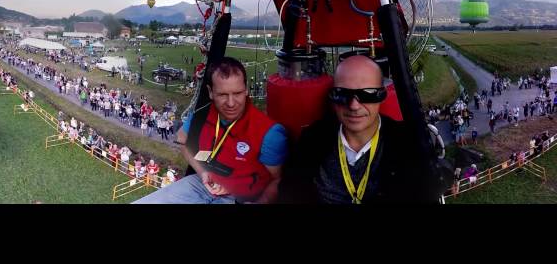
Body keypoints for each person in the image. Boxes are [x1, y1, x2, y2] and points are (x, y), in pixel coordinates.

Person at [278, 55, 439, 204]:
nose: (354, 106)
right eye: (342, 94)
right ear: (332, 97)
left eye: (367, 94)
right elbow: (290, 192)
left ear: (381, 96)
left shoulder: (408, 145)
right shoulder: (311, 141)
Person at [135, 57, 288, 204]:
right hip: (202, 185)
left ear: (246, 89)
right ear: (210, 92)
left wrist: (262, 202)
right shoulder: (202, 115)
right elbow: (182, 139)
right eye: (222, 94)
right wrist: (202, 172)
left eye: (237, 93)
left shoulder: (270, 133)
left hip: (241, 197)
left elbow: (277, 180)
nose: (231, 103)